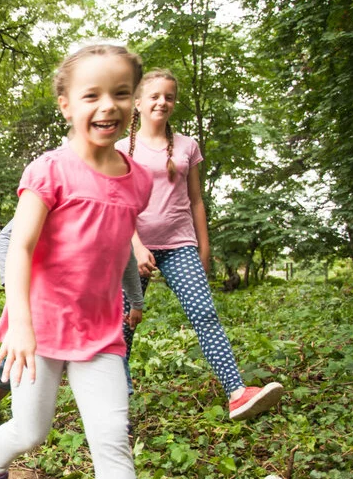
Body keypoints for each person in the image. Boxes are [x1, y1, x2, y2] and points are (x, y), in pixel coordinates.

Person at [0, 44, 191, 479]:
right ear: (66, 104)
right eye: (92, 94)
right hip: (38, 329)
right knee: (32, 430)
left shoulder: (138, 180)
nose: (107, 105)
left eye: (120, 93)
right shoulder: (49, 170)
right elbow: (19, 245)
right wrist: (19, 324)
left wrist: (137, 280)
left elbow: (115, 245)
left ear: (136, 103)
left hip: (100, 333)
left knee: (112, 439)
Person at [117, 69, 283, 421]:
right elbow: (118, 202)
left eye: (169, 96)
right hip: (133, 248)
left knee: (205, 315)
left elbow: (196, 200)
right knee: (123, 325)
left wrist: (202, 249)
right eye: (155, 96)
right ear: (138, 102)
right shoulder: (119, 148)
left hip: (180, 245)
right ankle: (117, 405)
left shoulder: (187, 145)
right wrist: (135, 245)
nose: (162, 101)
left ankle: (237, 393)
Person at [0, 223, 145, 436]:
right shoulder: (54, 196)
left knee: (108, 359)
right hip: (44, 306)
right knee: (14, 365)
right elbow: (6, 238)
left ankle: (115, 424)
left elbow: (126, 253)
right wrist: (12, 285)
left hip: (92, 313)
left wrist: (136, 302)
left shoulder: (113, 206)